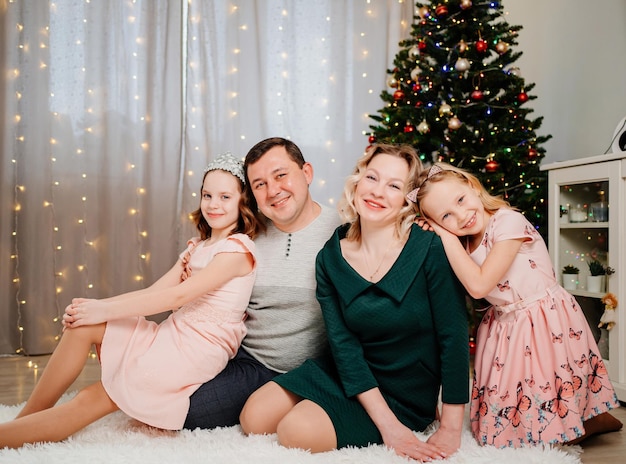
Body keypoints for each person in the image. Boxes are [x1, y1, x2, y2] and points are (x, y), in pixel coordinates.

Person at [0, 153, 258, 448]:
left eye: (225, 197)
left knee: (91, 398)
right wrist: (94, 308)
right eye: (207, 195)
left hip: (196, 350)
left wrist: (103, 309)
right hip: (173, 334)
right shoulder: (198, 247)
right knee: (82, 327)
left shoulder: (237, 250)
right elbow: (154, 292)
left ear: (242, 202)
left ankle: (12, 435)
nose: (213, 204)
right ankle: (26, 420)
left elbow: (177, 296)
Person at [239, 144, 470, 462]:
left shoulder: (429, 248)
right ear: (358, 181)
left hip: (404, 390)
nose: (378, 192)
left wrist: (450, 426)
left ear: (408, 198)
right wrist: (387, 428)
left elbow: (453, 338)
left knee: (296, 432)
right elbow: (344, 347)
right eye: (372, 178)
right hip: (347, 371)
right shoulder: (330, 256)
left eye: (394, 185)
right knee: (254, 417)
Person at [409, 162, 622, 448]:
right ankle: (588, 422)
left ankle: (592, 421)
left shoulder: (507, 221)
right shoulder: (466, 244)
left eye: (460, 200)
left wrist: (444, 234)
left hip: (542, 319)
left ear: (473, 187)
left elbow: (479, 285)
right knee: (499, 431)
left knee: (549, 407)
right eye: (446, 215)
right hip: (505, 326)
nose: (461, 215)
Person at [184, 137, 341, 429]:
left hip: (297, 369)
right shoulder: (248, 231)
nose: (273, 191)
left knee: (191, 411)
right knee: (164, 392)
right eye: (259, 184)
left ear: (306, 173)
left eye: (281, 175)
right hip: (242, 355)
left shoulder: (343, 232)